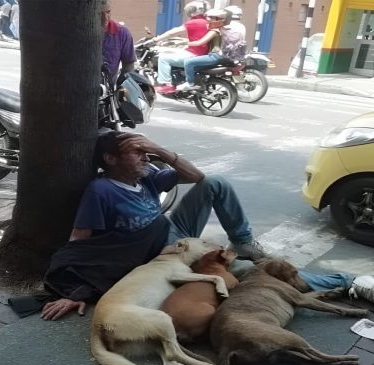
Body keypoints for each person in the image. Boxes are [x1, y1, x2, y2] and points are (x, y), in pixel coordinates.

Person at [40, 131, 374, 320]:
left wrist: (160, 151)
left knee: (214, 181)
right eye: (136, 153)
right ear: (110, 160)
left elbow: (195, 177)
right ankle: (350, 281)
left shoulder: (146, 178)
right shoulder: (101, 190)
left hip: (171, 232)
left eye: (146, 153)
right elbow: (79, 243)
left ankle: (243, 241)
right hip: (155, 252)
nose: (144, 158)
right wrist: (75, 291)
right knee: (249, 270)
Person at [152, 1, 211, 94]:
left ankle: (167, 85)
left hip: (193, 54)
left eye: (191, 9)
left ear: (195, 11)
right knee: (175, 52)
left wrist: (156, 39)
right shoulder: (207, 22)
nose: (189, 12)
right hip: (203, 54)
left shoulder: (193, 22)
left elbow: (173, 32)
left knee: (163, 58)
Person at [178, 8, 229, 91]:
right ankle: (199, 84)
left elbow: (200, 42)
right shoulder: (223, 29)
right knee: (195, 67)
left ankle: (190, 83)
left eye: (211, 18)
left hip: (214, 56)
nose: (208, 20)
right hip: (220, 56)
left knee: (188, 62)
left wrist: (184, 43)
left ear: (218, 19)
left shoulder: (215, 31)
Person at [101, 1, 136, 83]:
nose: (106, 18)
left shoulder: (122, 33)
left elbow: (129, 64)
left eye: (108, 12)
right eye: (100, 14)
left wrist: (121, 85)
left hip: (108, 91)